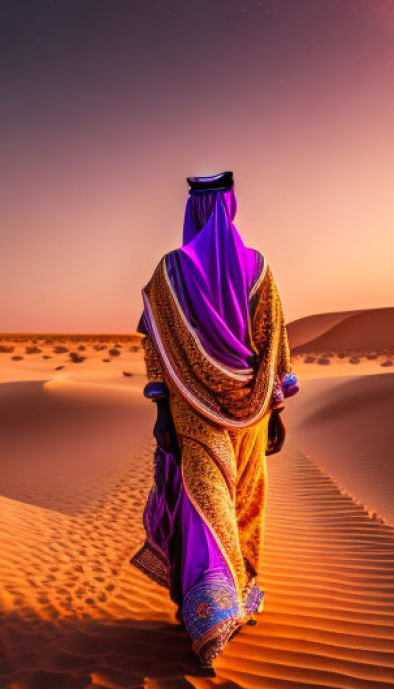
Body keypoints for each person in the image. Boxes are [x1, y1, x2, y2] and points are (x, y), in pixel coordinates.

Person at [128, 170, 299, 670]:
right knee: (237, 502)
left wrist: (162, 408)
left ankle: (211, 613)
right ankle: (220, 616)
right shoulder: (259, 269)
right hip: (250, 409)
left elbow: (153, 346)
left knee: (206, 505)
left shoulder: (169, 272)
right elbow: (274, 345)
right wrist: (276, 408)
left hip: (190, 409)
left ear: (193, 211)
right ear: (231, 208)